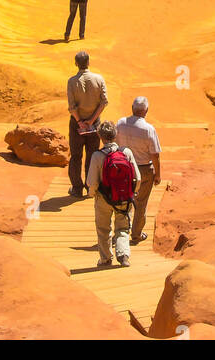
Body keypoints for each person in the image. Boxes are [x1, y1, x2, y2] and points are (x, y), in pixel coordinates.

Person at [86, 119, 140, 268]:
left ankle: (105, 259)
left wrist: (93, 194)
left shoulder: (97, 156)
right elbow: (138, 177)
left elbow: (92, 182)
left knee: (103, 229)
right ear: (115, 135)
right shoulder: (126, 152)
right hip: (124, 198)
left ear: (101, 137)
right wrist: (132, 193)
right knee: (122, 228)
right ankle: (123, 256)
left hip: (103, 198)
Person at [116, 97, 162, 244]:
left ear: (132, 108)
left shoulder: (120, 123)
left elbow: (115, 144)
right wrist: (158, 174)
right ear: (146, 111)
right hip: (143, 170)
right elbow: (155, 154)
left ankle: (121, 231)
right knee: (141, 203)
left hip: (124, 167)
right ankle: (136, 234)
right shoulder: (149, 129)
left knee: (124, 200)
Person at [66, 50, 107, 197]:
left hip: (77, 124)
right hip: (94, 124)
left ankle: (77, 188)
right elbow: (104, 102)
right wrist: (91, 121)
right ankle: (91, 187)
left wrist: (80, 122)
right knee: (92, 155)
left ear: (76, 64)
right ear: (88, 62)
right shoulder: (99, 79)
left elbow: (72, 107)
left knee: (76, 156)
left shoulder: (71, 81)